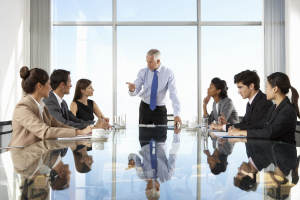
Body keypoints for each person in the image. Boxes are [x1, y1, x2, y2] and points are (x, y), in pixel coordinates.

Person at [9, 67, 91, 147]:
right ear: (39, 86)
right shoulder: (23, 107)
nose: (51, 88)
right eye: (48, 84)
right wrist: (80, 133)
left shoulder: (41, 105)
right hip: (23, 156)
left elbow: (58, 124)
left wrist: (80, 131)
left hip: (38, 154)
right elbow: (45, 131)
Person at [228, 72, 300, 145]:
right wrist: (238, 130)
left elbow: (270, 132)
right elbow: (259, 125)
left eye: (267, 87)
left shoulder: (288, 110)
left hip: (283, 154)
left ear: (275, 89)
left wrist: (241, 132)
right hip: (272, 152)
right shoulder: (273, 108)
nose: (265, 91)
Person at [126, 49, 181, 125]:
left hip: (160, 110)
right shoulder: (142, 72)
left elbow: (174, 94)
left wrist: (177, 114)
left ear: (158, 61)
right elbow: (135, 90)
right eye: (147, 61)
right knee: (144, 135)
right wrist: (132, 90)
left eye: (150, 62)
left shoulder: (168, 73)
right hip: (145, 109)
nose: (148, 64)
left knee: (161, 135)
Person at [43, 69, 109, 130]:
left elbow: (76, 120)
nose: (71, 85)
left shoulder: (63, 103)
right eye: (69, 82)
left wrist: (96, 123)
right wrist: (93, 127)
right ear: (62, 85)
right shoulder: (49, 101)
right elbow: (63, 124)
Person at [127, 127, 181, 199]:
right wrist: (176, 135)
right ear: (157, 188)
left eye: (146, 188)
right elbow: (173, 154)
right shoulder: (168, 175)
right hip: (160, 138)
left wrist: (131, 160)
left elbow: (134, 157)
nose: (147, 186)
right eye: (149, 188)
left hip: (144, 139)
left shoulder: (141, 175)